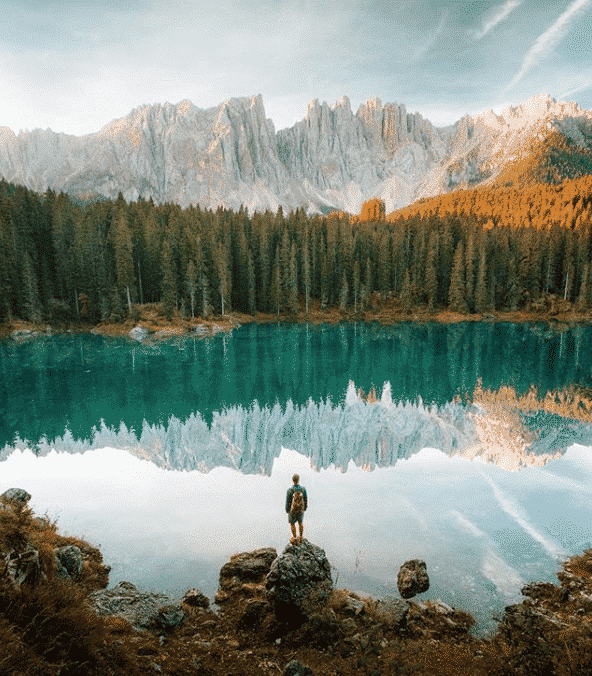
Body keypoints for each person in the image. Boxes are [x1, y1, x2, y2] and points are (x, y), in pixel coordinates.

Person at [285, 473, 307, 544]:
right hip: (300, 509)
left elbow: (288, 501)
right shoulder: (303, 489)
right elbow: (305, 499)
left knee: (292, 523)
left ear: (292, 480)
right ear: (298, 480)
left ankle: (294, 538)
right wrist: (304, 508)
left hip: (292, 510)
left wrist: (287, 510)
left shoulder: (290, 490)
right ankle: (300, 537)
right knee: (300, 523)